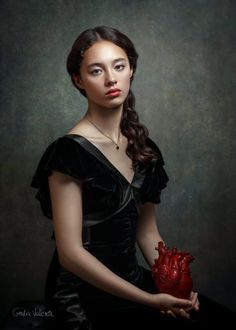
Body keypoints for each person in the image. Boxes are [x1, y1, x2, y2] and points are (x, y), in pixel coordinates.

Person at [31, 26, 235, 329]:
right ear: (78, 80)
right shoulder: (68, 152)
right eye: (96, 70)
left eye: (119, 66)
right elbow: (70, 254)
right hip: (80, 295)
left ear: (131, 71)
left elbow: (148, 233)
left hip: (133, 279)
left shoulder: (145, 150)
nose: (111, 79)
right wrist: (149, 300)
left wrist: (175, 290)